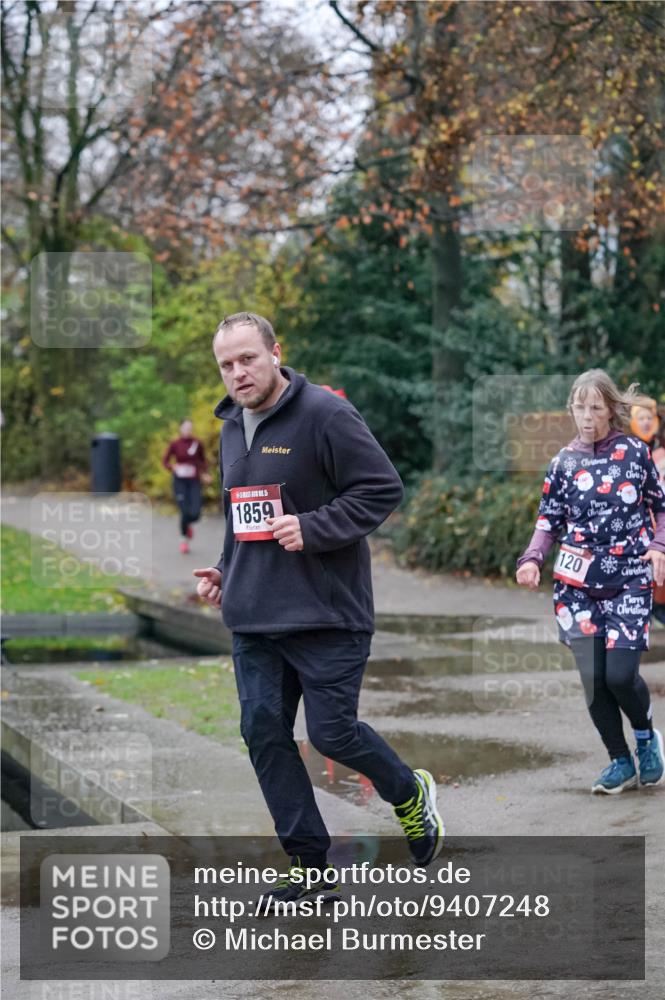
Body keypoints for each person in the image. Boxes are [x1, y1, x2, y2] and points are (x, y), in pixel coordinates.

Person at [193, 311, 444, 907]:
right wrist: (226, 571)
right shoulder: (230, 427)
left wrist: (315, 527)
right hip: (255, 615)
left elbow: (381, 489)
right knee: (262, 731)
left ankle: (409, 792)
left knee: (331, 734)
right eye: (226, 364)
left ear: (276, 352)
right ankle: (310, 864)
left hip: (327, 613)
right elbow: (244, 520)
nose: (237, 373)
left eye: (248, 358)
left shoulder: (325, 414)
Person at [516, 369, 665, 794]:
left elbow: (662, 508)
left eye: (595, 407)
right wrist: (532, 559)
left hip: (630, 578)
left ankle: (645, 739)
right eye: (579, 407)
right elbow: (548, 522)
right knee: (593, 677)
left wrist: (659, 546)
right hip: (576, 586)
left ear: (612, 410)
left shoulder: (635, 453)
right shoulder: (562, 463)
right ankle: (619, 761)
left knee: (620, 676)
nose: (586, 416)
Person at [162, 419, 210, 554]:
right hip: (180, 482)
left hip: (194, 481)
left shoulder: (197, 443)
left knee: (196, 513)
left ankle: (188, 524)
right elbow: (165, 461)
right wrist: (173, 466)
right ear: (181, 429)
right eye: (185, 428)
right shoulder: (175, 444)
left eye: (190, 428)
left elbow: (202, 461)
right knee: (184, 511)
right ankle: (184, 540)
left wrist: (205, 474)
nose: (188, 430)